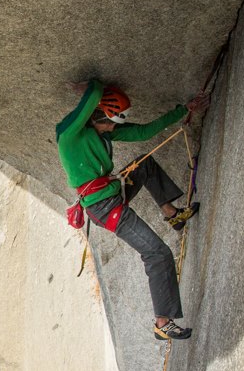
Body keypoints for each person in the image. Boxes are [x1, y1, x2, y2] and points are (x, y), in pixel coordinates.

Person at [56, 79, 210, 340]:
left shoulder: (101, 131)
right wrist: (87, 92)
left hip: (113, 192)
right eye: (111, 123)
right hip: (104, 208)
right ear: (97, 115)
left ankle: (172, 214)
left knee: (144, 164)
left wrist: (184, 110)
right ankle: (163, 322)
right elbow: (93, 90)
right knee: (158, 253)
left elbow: (143, 133)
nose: (113, 129)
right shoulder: (69, 135)